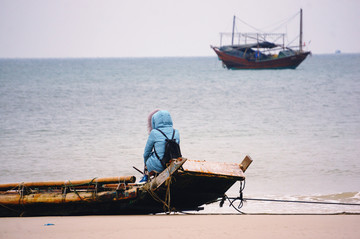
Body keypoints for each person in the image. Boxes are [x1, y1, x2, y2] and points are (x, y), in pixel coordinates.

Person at [139, 110, 180, 183]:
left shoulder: (154, 133)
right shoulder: (176, 132)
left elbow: (146, 153)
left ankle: (145, 176)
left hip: (159, 166)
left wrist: (146, 164)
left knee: (148, 155)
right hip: (174, 164)